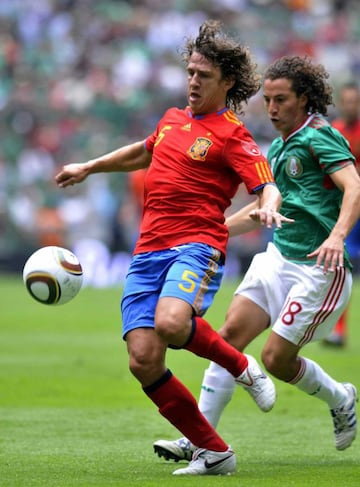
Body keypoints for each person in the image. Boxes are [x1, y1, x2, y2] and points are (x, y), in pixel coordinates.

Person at [55, 21, 289, 476]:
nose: (193, 81)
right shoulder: (171, 120)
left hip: (196, 245)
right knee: (143, 359)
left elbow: (265, 184)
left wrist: (268, 206)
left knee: (170, 321)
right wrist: (89, 166)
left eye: (203, 75)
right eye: (190, 72)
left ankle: (241, 366)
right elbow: (143, 152)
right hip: (147, 252)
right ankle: (214, 451)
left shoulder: (233, 134)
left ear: (227, 83)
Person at [153, 55, 360, 463]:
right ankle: (202, 441)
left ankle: (341, 398)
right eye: (267, 100)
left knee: (275, 360)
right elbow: (262, 209)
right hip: (278, 258)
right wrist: (209, 235)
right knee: (228, 336)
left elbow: (353, 187)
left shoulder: (320, 136)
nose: (272, 108)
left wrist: (338, 236)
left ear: (304, 99)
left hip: (319, 268)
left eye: (281, 99)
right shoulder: (280, 146)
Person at [323, 81, 360, 347]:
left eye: (355, 101)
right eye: (347, 101)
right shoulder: (334, 132)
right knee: (341, 264)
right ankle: (338, 329)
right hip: (348, 207)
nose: (351, 106)